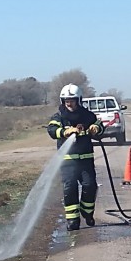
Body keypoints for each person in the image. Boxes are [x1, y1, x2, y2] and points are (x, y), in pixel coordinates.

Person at [47, 84, 105, 231]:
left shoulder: (88, 115)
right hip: (67, 161)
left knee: (90, 186)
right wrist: (64, 132)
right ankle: (72, 220)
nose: (69, 102)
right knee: (70, 188)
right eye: (66, 100)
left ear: (78, 100)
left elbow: (100, 125)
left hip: (86, 160)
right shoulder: (59, 117)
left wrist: (96, 128)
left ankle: (87, 212)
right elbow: (52, 130)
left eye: (72, 99)